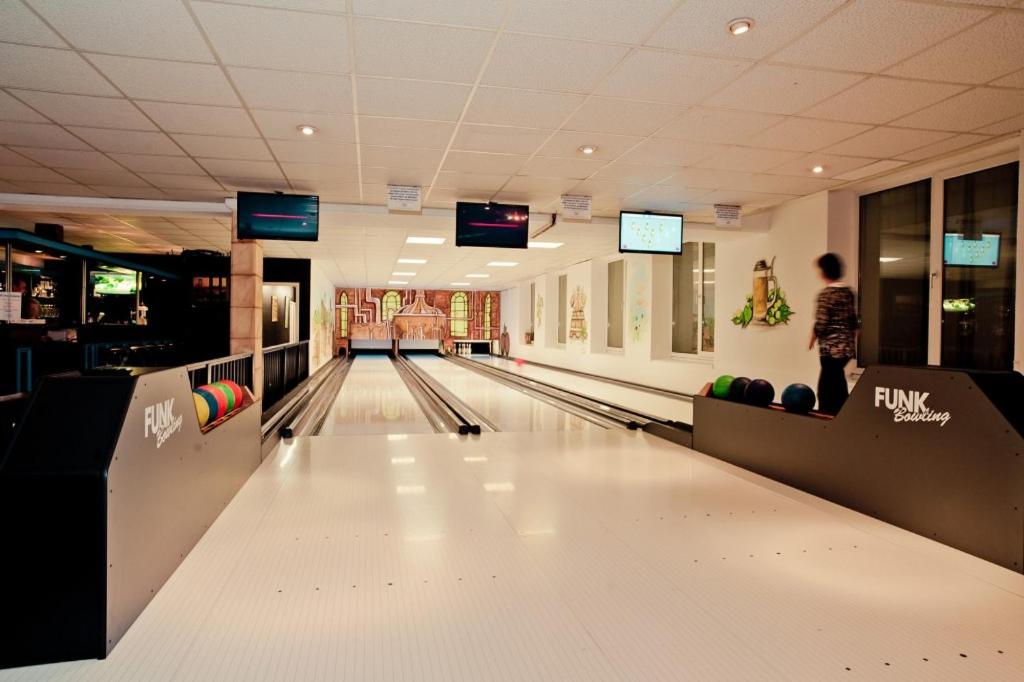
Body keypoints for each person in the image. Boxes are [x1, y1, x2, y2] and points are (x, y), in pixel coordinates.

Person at [809, 253, 858, 415]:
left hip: (831, 349)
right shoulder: (848, 292)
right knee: (837, 382)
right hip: (846, 349)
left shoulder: (826, 294)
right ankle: (843, 414)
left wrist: (813, 337)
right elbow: (853, 320)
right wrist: (851, 338)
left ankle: (828, 417)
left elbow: (822, 322)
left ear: (824, 272)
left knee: (826, 389)